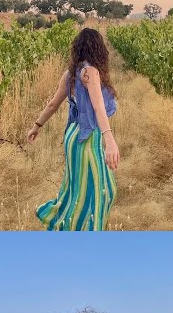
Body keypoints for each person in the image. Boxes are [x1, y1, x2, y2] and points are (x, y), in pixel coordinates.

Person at [27, 28, 119, 230]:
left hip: (73, 135)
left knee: (82, 188)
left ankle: (69, 226)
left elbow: (53, 104)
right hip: (85, 138)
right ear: (98, 48)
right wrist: (109, 140)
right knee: (99, 191)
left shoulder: (72, 73)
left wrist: (37, 126)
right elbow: (98, 107)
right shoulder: (91, 72)